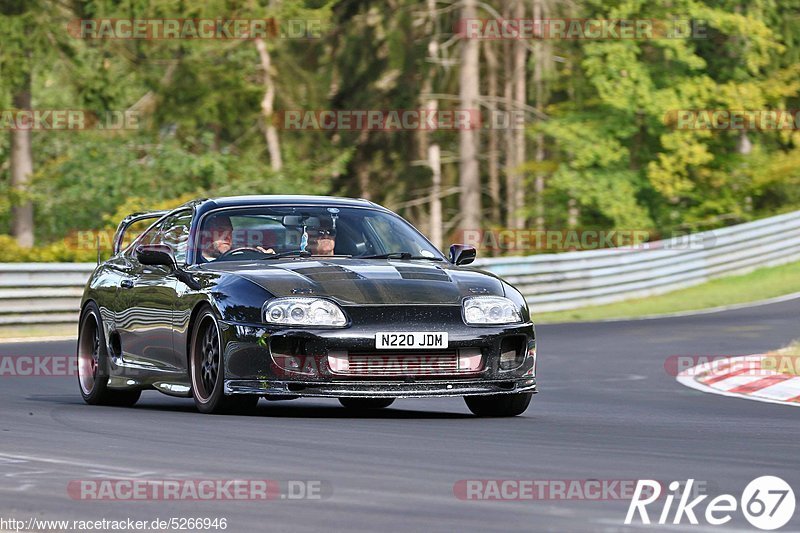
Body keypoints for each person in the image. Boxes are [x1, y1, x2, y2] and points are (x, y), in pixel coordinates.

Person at [201, 215, 274, 260]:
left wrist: (267, 257)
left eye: (230, 232)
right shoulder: (194, 262)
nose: (228, 237)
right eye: (221, 232)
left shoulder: (238, 258)